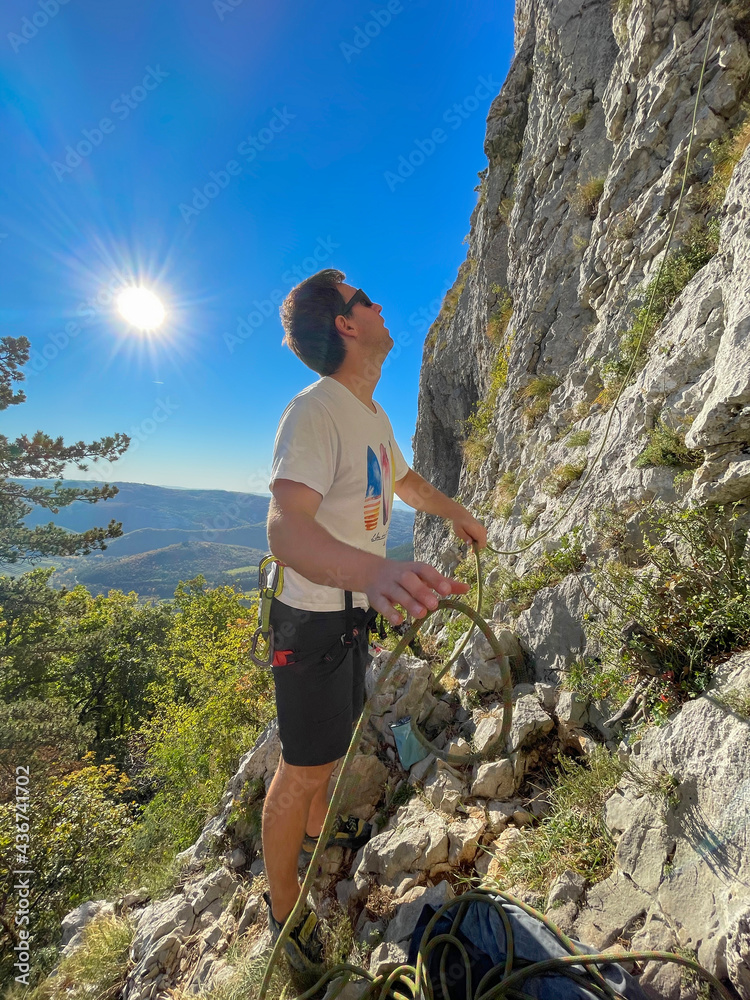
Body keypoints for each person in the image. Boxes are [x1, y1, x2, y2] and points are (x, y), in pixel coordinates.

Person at [262, 268, 487, 974]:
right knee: (300, 768)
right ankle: (282, 910)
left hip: (350, 612)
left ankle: (321, 835)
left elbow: (404, 481)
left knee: (329, 748)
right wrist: (377, 573)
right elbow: (286, 532)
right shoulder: (313, 410)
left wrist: (454, 512)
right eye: (365, 299)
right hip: (309, 620)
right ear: (347, 325)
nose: (381, 303)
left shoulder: (371, 416)